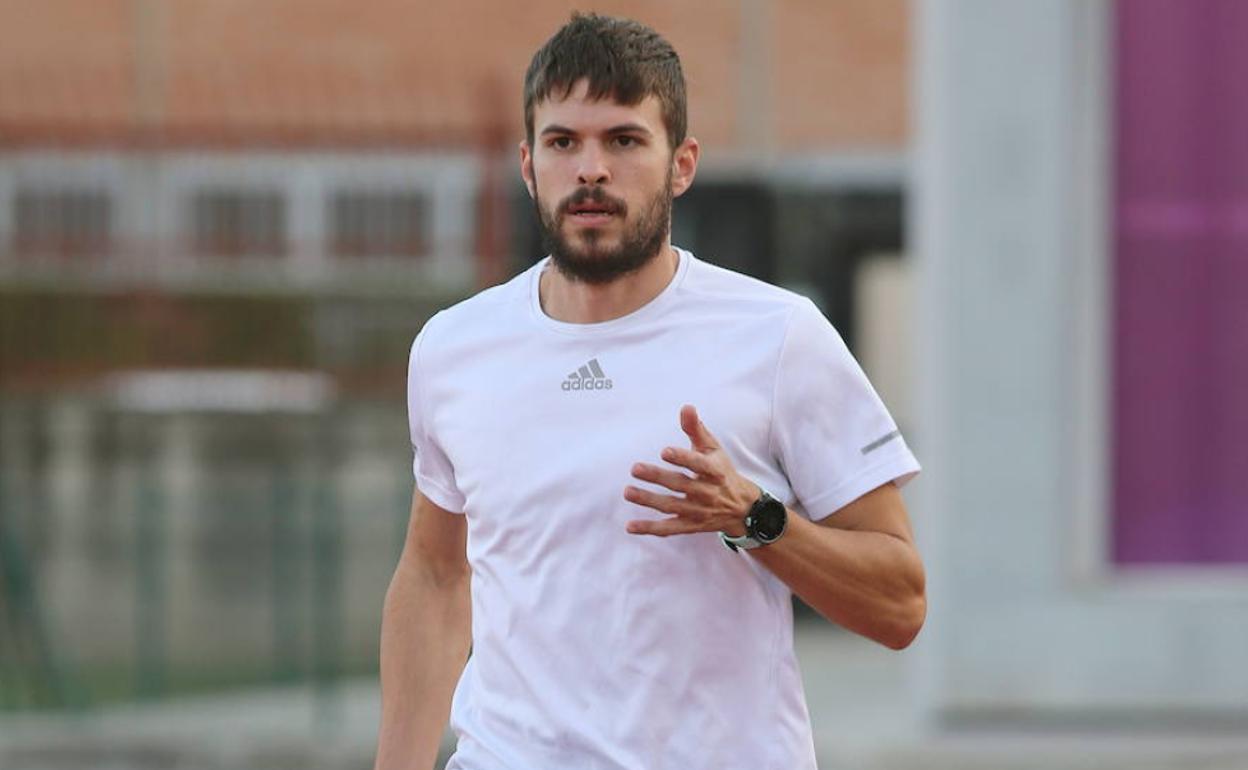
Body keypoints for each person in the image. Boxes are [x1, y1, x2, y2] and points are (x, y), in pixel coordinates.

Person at [374, 13, 925, 770]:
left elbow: (900, 603)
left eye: (624, 141)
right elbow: (435, 576)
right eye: (564, 142)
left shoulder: (778, 336)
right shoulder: (454, 347)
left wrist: (757, 519)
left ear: (682, 164)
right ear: (529, 165)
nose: (591, 169)